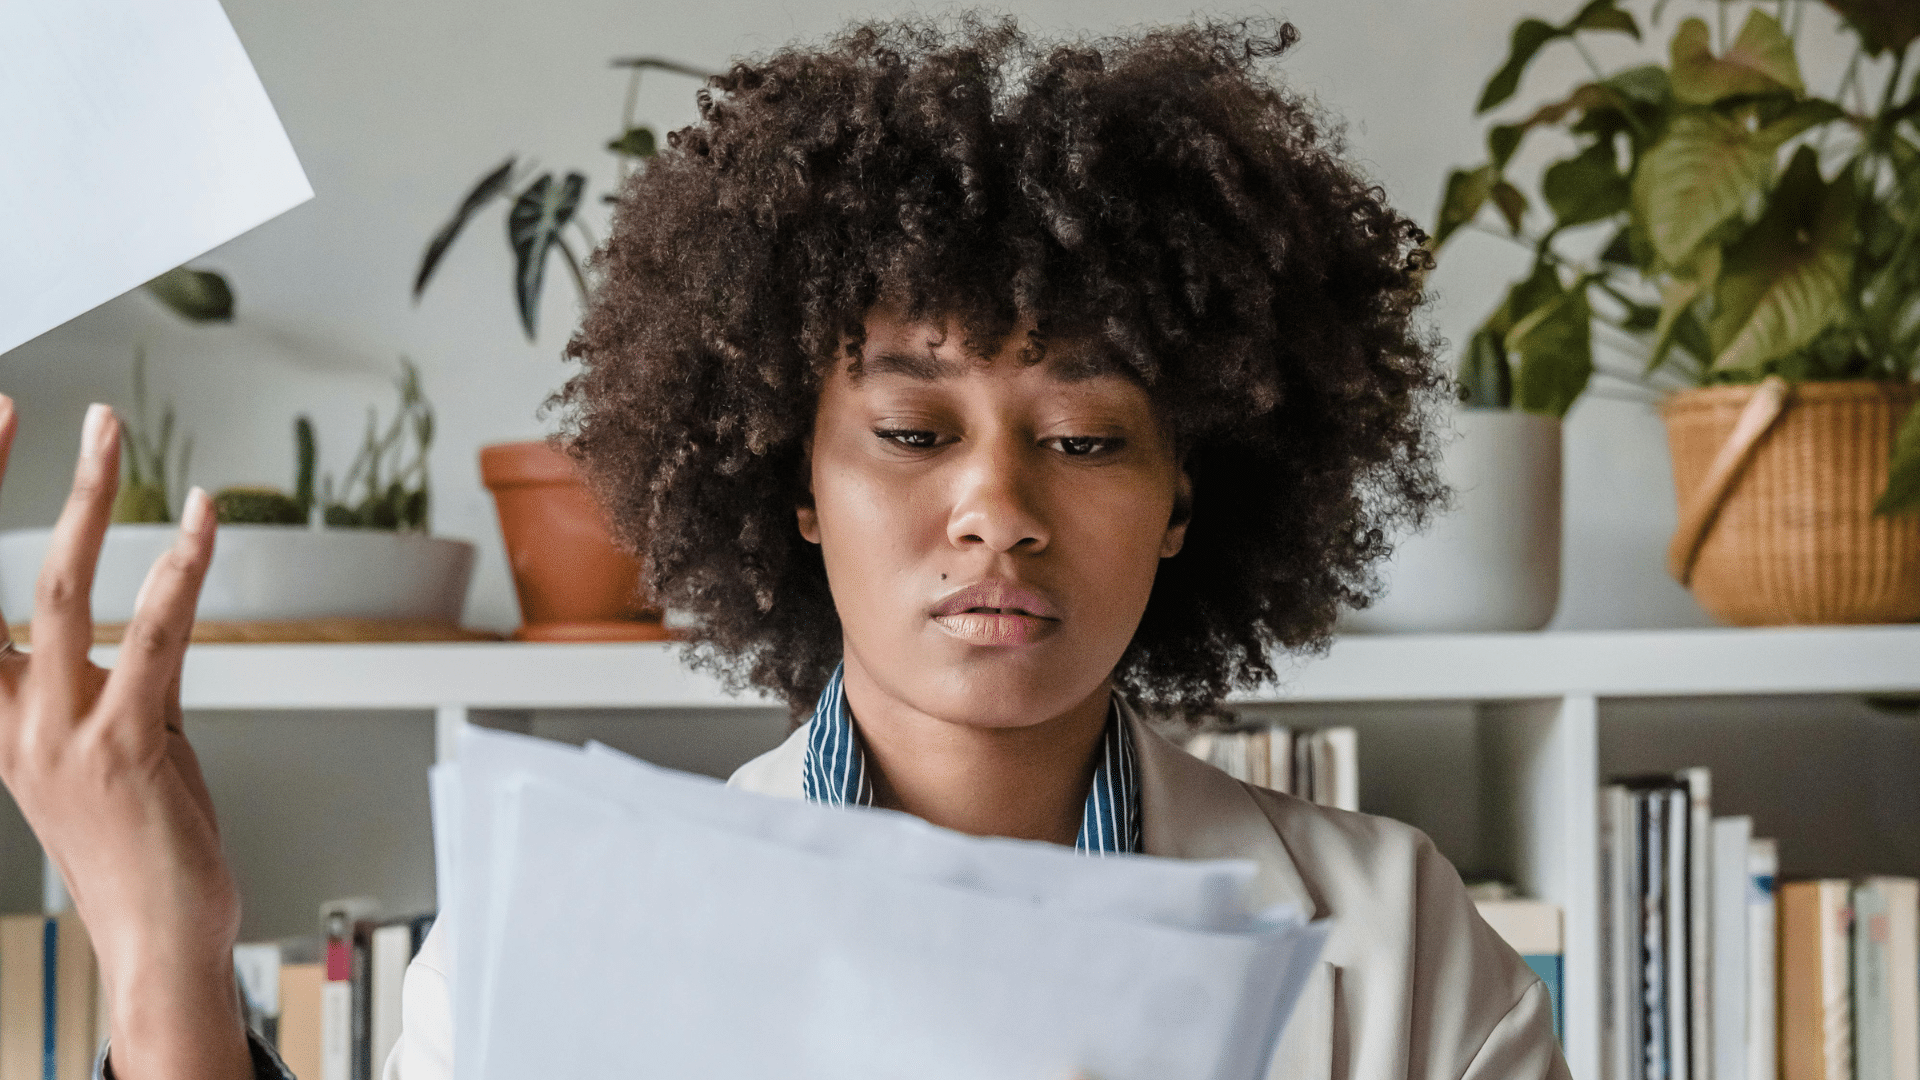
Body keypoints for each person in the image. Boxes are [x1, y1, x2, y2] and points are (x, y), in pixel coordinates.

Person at [0, 15, 1570, 1080]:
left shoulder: (1397, 943)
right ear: (792, 482)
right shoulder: (547, 945)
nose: (998, 509)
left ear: (1183, 498)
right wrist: (159, 939)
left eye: (1087, 440)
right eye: (910, 433)